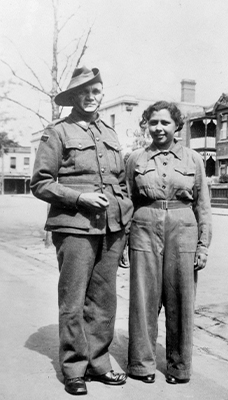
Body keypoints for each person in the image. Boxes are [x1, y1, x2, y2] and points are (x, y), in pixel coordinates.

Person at [30, 66, 133, 395]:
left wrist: (125, 233)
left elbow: (120, 184)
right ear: (74, 96)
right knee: (73, 300)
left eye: (96, 91)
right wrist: (79, 197)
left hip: (111, 229)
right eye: (84, 92)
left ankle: (99, 361)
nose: (90, 97)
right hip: (74, 227)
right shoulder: (58, 132)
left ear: (102, 93)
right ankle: (74, 367)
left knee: (103, 301)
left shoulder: (111, 134)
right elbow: (41, 183)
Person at [126, 101, 212, 384]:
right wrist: (124, 240)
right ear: (146, 125)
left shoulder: (194, 159)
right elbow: (127, 201)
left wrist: (203, 245)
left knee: (180, 300)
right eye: (153, 123)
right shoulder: (135, 159)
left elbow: (203, 206)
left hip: (182, 228)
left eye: (165, 123)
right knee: (143, 299)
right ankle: (142, 365)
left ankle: (178, 367)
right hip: (144, 228)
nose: (159, 128)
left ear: (177, 126)